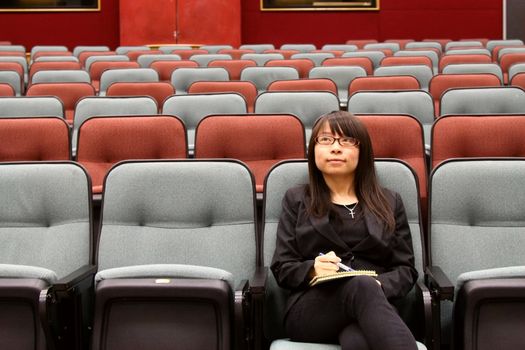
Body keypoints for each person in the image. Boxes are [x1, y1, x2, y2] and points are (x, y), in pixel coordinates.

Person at [270, 111, 418, 350]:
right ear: (313, 150)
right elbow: (282, 266)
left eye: (347, 140)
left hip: (373, 306)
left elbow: (406, 269)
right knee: (362, 287)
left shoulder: (390, 201)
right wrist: (312, 269)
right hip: (312, 309)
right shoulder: (296, 199)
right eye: (326, 140)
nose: (335, 148)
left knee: (357, 340)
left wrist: (379, 285)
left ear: (363, 151)